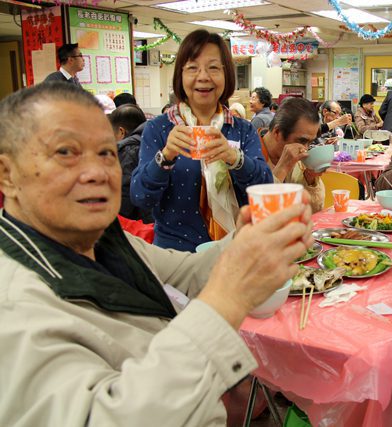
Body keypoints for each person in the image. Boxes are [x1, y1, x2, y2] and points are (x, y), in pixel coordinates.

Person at [0, 82, 314, 426]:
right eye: (65, 152)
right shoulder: (14, 300)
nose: (97, 172)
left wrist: (249, 238)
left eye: (106, 152)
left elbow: (189, 271)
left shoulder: (98, 241)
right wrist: (228, 298)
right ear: (7, 175)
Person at [130, 29, 272, 252]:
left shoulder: (242, 130)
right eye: (193, 68)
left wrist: (235, 159)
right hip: (176, 255)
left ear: (227, 75)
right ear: (180, 75)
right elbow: (140, 197)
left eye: (213, 67)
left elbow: (265, 188)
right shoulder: (159, 128)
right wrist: (165, 157)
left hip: (237, 249)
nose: (203, 76)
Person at [258, 97, 325, 213]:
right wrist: (282, 168)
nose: (306, 149)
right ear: (277, 132)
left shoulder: (298, 162)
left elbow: (314, 211)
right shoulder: (249, 156)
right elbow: (258, 214)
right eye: (302, 141)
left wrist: (310, 180)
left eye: (311, 142)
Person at [109, 104, 153, 223]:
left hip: (136, 225)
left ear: (121, 131)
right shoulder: (154, 141)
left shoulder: (126, 150)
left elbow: (124, 201)